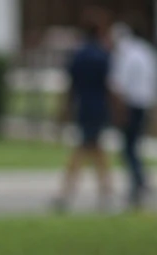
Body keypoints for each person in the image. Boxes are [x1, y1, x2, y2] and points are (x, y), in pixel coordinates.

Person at [54, 8, 114, 212]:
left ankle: (70, 191)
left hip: (83, 107)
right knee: (91, 148)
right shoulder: (103, 55)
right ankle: (104, 191)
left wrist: (64, 109)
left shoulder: (78, 55)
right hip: (99, 107)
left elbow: (71, 86)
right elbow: (109, 85)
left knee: (89, 148)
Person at [109, 20, 157, 209]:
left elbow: (118, 83)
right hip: (144, 103)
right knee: (134, 145)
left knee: (128, 148)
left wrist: (118, 110)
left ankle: (137, 182)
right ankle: (140, 180)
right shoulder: (146, 51)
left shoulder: (125, 53)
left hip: (129, 104)